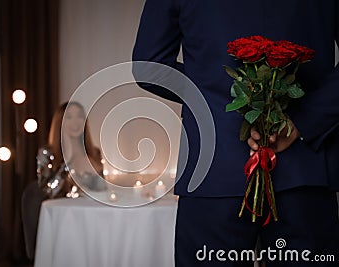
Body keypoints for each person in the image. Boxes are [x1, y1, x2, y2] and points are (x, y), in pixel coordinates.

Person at [133, 1, 339, 266]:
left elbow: (149, 68)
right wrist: (304, 121)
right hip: (306, 171)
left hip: (212, 168)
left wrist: (212, 95)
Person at [37, 101, 104, 198]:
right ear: (60, 122)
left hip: (89, 210)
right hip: (61, 211)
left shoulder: (94, 152)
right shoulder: (47, 153)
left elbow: (103, 192)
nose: (75, 122)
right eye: (69, 117)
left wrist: (96, 171)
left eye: (79, 116)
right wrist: (66, 164)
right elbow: (48, 192)